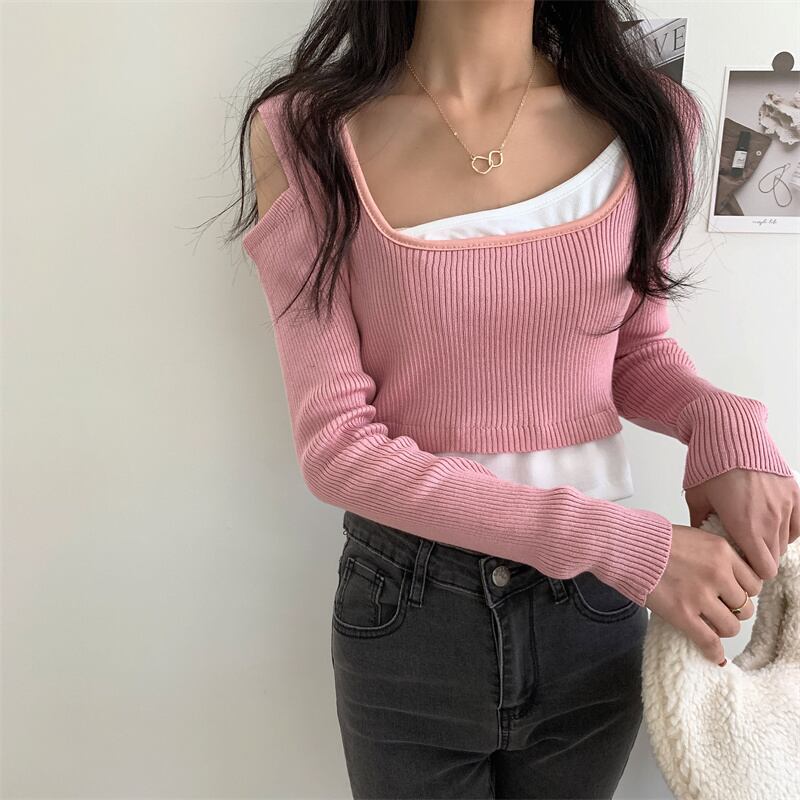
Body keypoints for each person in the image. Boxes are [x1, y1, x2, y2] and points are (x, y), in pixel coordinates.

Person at [234, 1, 799, 797]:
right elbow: (338, 449)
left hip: (593, 612)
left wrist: (721, 421)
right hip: (414, 606)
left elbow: (633, 351)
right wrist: (618, 544)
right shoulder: (305, 138)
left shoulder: (651, 120)